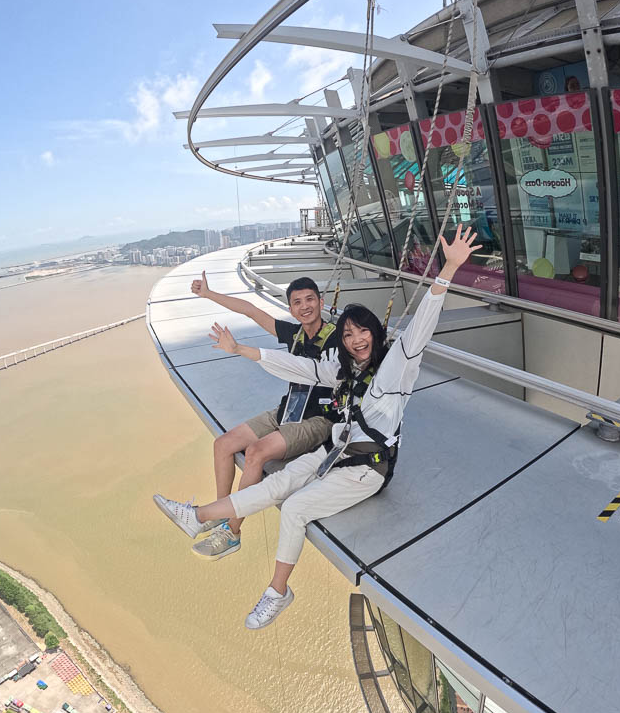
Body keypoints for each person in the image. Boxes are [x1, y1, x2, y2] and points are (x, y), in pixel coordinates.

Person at [154, 226, 481, 629]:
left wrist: (446, 271)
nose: (357, 339)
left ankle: (278, 591)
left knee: (293, 508)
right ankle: (199, 516)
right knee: (274, 488)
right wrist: (241, 349)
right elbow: (299, 367)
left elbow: (420, 329)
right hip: (333, 454)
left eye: (364, 331)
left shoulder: (396, 368)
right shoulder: (340, 370)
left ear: (376, 334)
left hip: (365, 470)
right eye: (348, 334)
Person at [185, 272, 338, 560]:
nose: (304, 307)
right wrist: (208, 294)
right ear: (291, 309)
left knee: (255, 453)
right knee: (223, 444)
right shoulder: (294, 334)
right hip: (288, 409)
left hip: (319, 419)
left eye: (309, 300)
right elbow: (251, 311)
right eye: (297, 302)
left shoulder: (336, 337)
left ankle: (232, 532)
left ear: (321, 301)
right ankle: (221, 511)